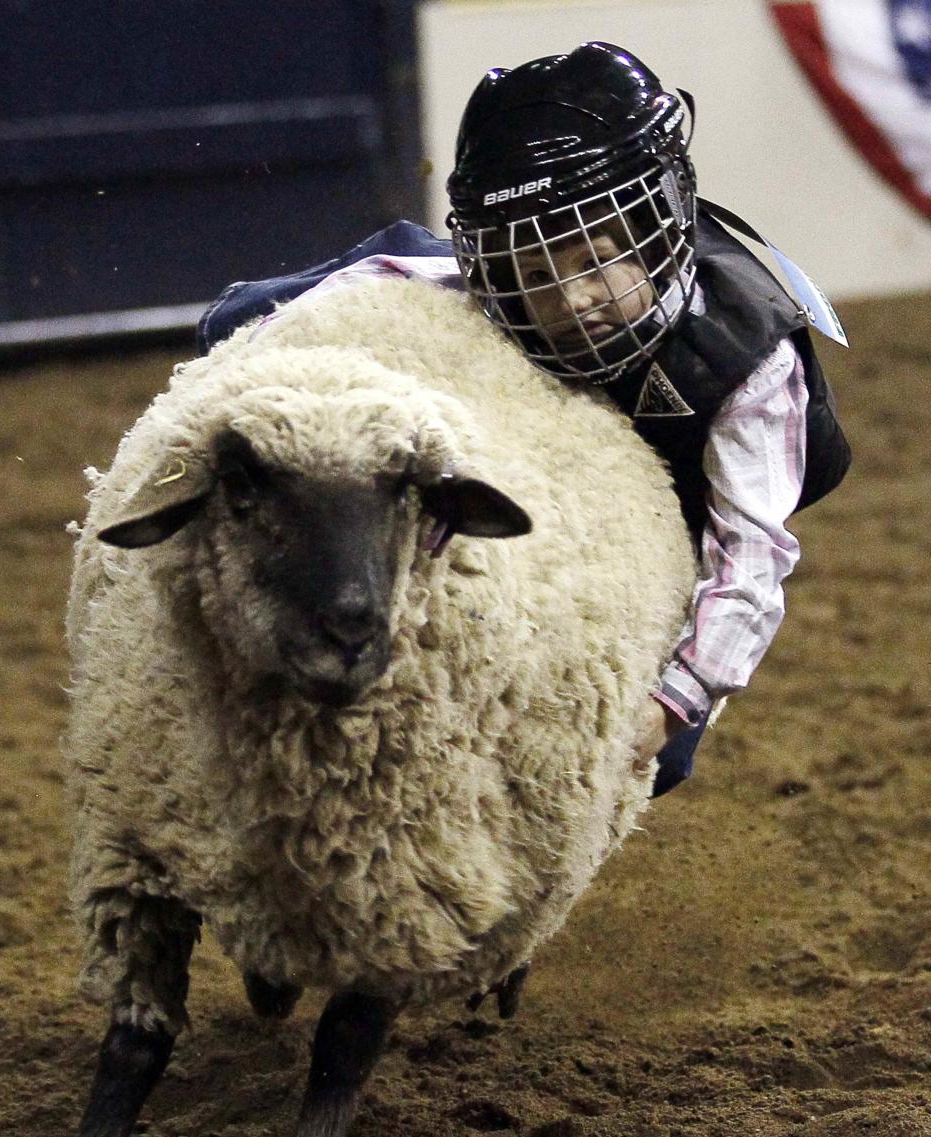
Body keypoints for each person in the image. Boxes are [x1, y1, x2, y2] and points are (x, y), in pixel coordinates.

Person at [198, 41, 851, 797]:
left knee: (654, 760)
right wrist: (249, 343)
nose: (573, 301)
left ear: (656, 221)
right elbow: (391, 279)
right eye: (537, 271)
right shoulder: (492, 293)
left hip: (682, 508)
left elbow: (751, 560)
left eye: (595, 258)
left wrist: (676, 703)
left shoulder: (751, 364)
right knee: (246, 316)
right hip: (547, 470)